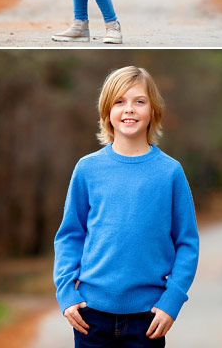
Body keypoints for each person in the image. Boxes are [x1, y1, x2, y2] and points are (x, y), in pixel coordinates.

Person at [54, 66, 199, 347]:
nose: (129, 109)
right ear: (107, 111)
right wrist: (66, 294)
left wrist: (172, 300)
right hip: (90, 318)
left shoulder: (170, 173)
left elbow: (187, 243)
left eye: (139, 101)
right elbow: (70, 236)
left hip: (147, 320)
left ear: (153, 111)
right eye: (119, 102)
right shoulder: (88, 169)